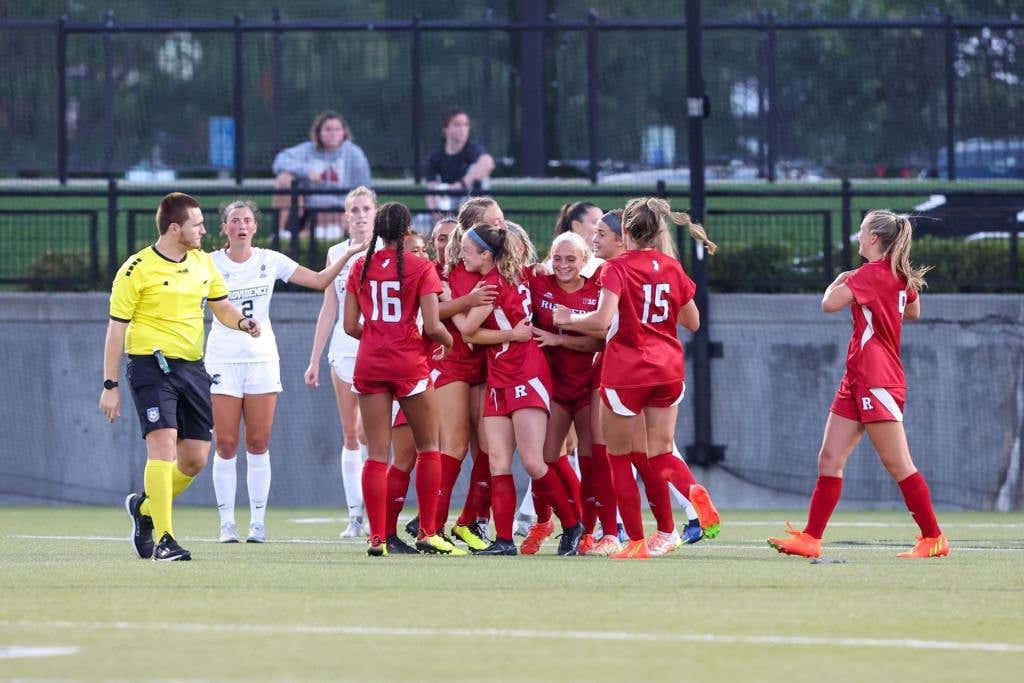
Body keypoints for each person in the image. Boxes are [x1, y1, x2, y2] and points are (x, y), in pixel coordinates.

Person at [768, 211, 948, 560]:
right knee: (830, 458)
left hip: (877, 379)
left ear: (875, 239)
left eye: (862, 232)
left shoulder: (872, 274)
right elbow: (913, 311)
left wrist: (840, 279)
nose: (858, 237)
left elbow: (828, 304)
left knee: (898, 464)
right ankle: (811, 538)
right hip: (857, 378)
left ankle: (934, 537)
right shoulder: (894, 275)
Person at [554, 197, 721, 560]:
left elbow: (600, 321)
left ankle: (634, 540)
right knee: (660, 453)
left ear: (626, 232)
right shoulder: (672, 267)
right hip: (669, 370)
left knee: (617, 457)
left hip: (627, 371)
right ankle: (691, 492)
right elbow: (692, 322)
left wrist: (567, 319)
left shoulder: (617, 268)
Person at [101, 192, 259, 562]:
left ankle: (144, 511)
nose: (204, 229)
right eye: (197, 224)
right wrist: (110, 385)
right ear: (175, 228)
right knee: (162, 444)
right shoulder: (136, 269)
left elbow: (220, 306)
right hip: (151, 367)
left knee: (194, 460)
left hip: (192, 368)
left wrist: (242, 321)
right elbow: (115, 330)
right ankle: (166, 540)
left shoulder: (203, 263)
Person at [205, 200, 362, 544]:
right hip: (222, 361)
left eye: (247, 220)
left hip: (262, 360)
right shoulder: (209, 264)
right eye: (235, 221)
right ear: (225, 228)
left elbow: (321, 280)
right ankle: (226, 523)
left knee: (259, 443)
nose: (242, 226)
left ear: (255, 227)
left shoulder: (269, 260)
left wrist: (348, 255)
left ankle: (257, 524)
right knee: (226, 443)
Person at [455, 222, 583, 556]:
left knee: (533, 461)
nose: (461, 255)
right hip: (500, 374)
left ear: (486, 255)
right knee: (497, 459)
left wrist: (448, 304)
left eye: (468, 250)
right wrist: (510, 334)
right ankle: (504, 540)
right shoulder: (521, 274)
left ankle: (572, 525)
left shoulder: (495, 284)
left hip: (526, 372)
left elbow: (468, 331)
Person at [343, 202, 462, 557]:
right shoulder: (421, 266)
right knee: (429, 447)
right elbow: (433, 323)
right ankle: (428, 532)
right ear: (407, 230)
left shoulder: (359, 266)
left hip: (369, 362)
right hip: (408, 362)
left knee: (377, 454)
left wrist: (378, 335)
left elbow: (350, 326)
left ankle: (377, 537)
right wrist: (448, 343)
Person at [520, 231, 603, 555]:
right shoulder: (539, 282)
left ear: (584, 261)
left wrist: (560, 340)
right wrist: (537, 268)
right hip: (552, 386)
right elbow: (514, 272)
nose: (563, 265)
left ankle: (588, 532)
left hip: (586, 386)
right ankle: (556, 520)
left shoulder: (596, 291)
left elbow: (600, 341)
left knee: (591, 459)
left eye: (571, 259)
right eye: (557, 258)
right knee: (545, 457)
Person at [304, 186, 378, 538]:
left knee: (372, 432)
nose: (361, 215)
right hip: (345, 350)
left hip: (379, 351)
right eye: (354, 210)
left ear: (375, 213)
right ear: (346, 215)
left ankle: (377, 511)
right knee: (351, 435)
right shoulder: (337, 253)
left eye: (366, 209)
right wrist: (314, 359)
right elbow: (329, 307)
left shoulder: (389, 250)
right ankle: (355, 516)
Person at [272, 110, 372, 240]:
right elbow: (279, 161)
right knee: (283, 179)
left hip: (339, 210)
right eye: (328, 130)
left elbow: (365, 190)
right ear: (318, 133)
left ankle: (304, 238)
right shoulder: (307, 150)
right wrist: (306, 171)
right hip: (307, 208)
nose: (333, 134)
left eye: (337, 129)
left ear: (344, 133)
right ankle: (279, 235)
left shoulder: (354, 154)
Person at [426, 109, 495, 212]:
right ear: (445, 129)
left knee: (476, 168)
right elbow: (431, 192)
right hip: (445, 209)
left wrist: (461, 185)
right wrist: (436, 214)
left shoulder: (473, 150)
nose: (462, 129)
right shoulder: (435, 158)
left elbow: (488, 162)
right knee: (416, 224)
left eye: (466, 125)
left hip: (474, 211)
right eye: (457, 125)